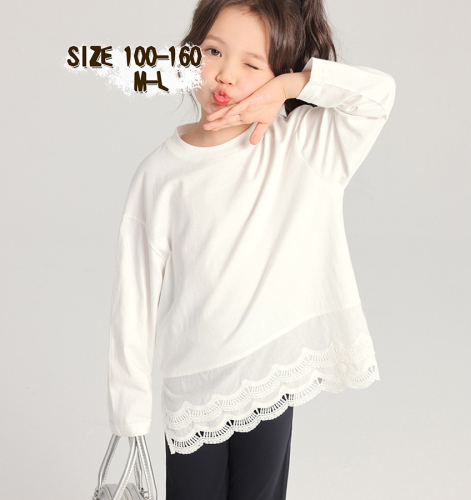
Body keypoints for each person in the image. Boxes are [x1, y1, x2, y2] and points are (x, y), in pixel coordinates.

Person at [106, 0, 396, 498]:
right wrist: (129, 418)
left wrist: (289, 88)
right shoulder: (160, 175)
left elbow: (378, 95)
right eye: (213, 52)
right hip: (193, 389)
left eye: (252, 64)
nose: (226, 75)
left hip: (268, 375)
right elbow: (133, 303)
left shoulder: (302, 146)